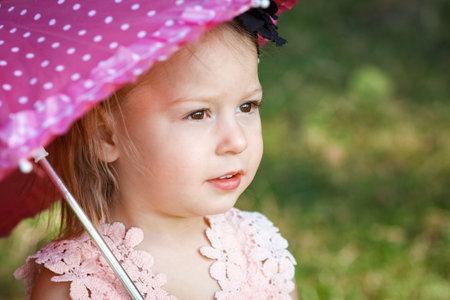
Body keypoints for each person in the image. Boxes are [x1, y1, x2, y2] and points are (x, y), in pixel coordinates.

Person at [14, 3, 297, 299]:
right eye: (198, 114)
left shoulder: (261, 251)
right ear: (105, 136)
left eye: (247, 106)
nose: (237, 141)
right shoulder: (76, 282)